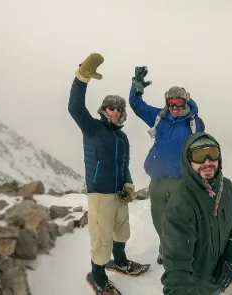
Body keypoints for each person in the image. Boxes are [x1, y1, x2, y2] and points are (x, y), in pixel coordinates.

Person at [68, 53, 145, 294]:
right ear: (104, 109)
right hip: (100, 194)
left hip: (119, 193)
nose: (114, 110)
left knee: (122, 231)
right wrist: (81, 78)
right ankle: (98, 275)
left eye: (118, 108)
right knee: (101, 240)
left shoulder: (121, 138)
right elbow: (75, 108)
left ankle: (120, 262)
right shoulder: (92, 128)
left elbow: (124, 166)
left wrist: (129, 185)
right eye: (110, 107)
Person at [128, 66, 205, 264]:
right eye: (171, 102)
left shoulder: (194, 124)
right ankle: (165, 247)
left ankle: (182, 251)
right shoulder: (159, 118)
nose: (175, 106)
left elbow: (201, 150)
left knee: (180, 219)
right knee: (159, 218)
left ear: (185, 102)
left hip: (181, 181)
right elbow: (136, 105)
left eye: (179, 102)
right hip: (157, 181)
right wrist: (136, 88)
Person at [161, 132, 232, 295]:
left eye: (212, 153)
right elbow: (177, 267)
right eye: (198, 156)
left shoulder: (226, 187)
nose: (207, 162)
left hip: (228, 278)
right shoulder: (181, 204)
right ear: (188, 161)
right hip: (199, 288)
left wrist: (230, 257)